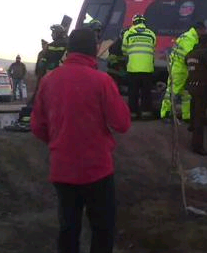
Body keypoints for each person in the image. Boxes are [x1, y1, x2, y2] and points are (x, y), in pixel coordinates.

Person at [31, 27, 131, 253]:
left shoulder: (49, 80)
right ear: (94, 50)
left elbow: (37, 127)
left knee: (68, 229)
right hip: (97, 170)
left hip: (62, 169)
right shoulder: (102, 81)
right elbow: (122, 124)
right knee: (102, 229)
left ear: (69, 49)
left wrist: (60, 141)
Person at [160, 22, 207, 122]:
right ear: (199, 29)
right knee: (173, 92)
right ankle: (165, 114)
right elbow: (190, 55)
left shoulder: (191, 37)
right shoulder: (189, 38)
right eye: (203, 30)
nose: (204, 33)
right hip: (180, 69)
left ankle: (187, 116)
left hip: (184, 69)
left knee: (186, 94)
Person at [185, 34, 207, 156]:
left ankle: (191, 127)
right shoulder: (204, 53)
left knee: (194, 112)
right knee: (200, 117)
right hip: (202, 88)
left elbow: (185, 62)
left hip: (192, 86)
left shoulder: (191, 54)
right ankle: (197, 146)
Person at [122, 14, 157, 120]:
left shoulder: (128, 34)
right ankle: (146, 112)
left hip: (133, 69)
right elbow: (153, 47)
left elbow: (124, 50)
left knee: (133, 92)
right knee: (146, 91)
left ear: (134, 22)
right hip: (147, 68)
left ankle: (133, 113)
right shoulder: (151, 34)